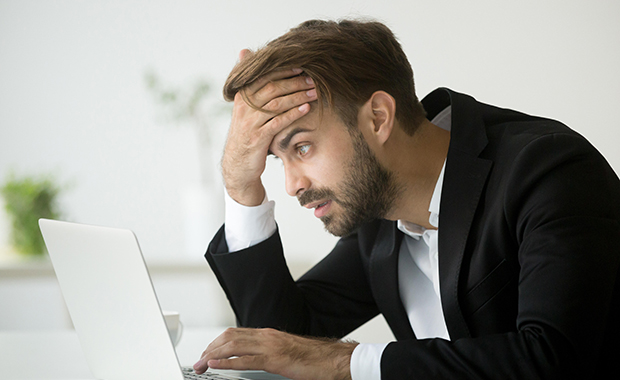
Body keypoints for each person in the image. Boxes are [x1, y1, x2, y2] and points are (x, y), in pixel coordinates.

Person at [193, 19, 620, 379]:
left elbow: (552, 360)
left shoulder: (548, 170)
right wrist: (241, 187)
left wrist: (347, 362)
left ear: (378, 118)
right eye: (277, 158)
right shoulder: (380, 218)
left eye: (302, 147)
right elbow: (281, 344)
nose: (291, 185)